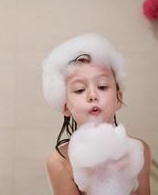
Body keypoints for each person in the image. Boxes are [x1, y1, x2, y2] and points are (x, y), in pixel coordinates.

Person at [42, 33, 151, 195]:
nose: (93, 95)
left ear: (119, 99)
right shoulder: (59, 162)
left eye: (102, 86)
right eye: (79, 89)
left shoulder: (138, 150)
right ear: (65, 106)